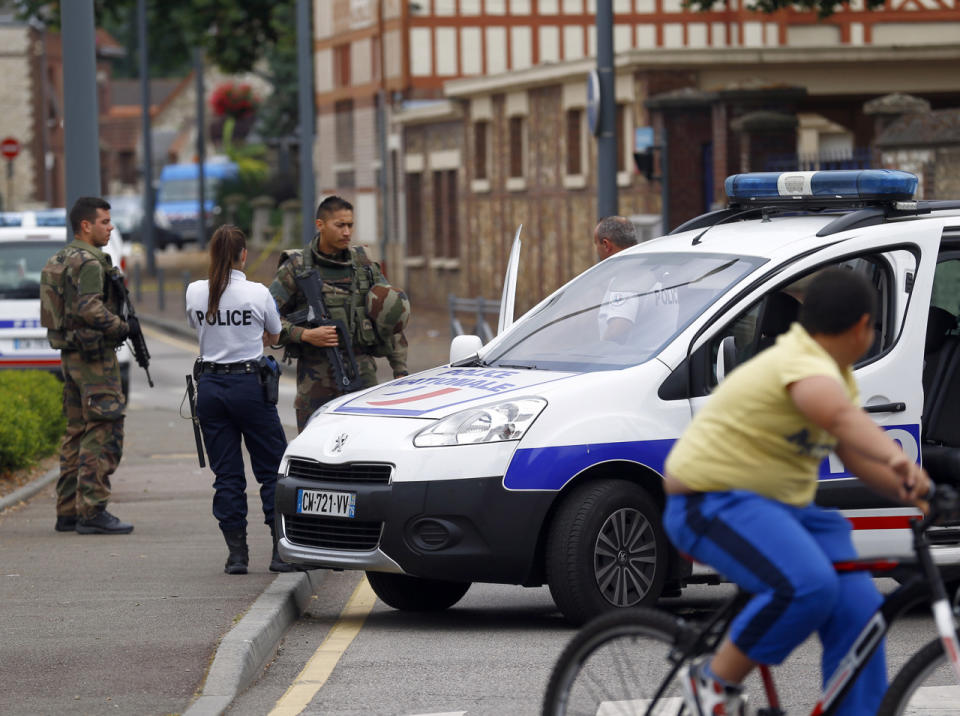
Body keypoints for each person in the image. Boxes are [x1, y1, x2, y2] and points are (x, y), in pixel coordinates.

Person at [662, 268, 932, 716]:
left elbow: (854, 453)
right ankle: (711, 683)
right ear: (865, 326)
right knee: (807, 586)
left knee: (860, 608)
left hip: (783, 510)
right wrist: (898, 456)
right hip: (709, 502)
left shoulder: (835, 375)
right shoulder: (799, 360)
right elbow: (842, 418)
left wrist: (915, 494)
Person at [185, 225, 295, 574]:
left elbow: (199, 328)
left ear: (213, 255)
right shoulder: (258, 292)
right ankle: (280, 552)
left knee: (227, 476)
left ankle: (237, 556)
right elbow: (275, 333)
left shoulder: (194, 292)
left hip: (212, 388)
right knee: (270, 470)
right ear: (244, 255)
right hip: (250, 386)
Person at [269, 195, 410, 432]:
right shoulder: (297, 267)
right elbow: (267, 318)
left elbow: (390, 315)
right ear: (320, 225)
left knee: (366, 449)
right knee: (314, 451)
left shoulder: (364, 265)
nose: (347, 232)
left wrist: (401, 372)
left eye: (350, 225)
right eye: (340, 225)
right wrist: (304, 335)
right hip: (315, 381)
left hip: (362, 376)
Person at [41, 197, 133, 535]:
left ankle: (67, 511)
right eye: (105, 222)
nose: (110, 228)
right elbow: (90, 309)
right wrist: (120, 327)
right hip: (95, 360)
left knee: (76, 431)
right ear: (86, 225)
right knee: (104, 428)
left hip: (72, 356)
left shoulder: (60, 257)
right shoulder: (91, 262)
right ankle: (93, 510)